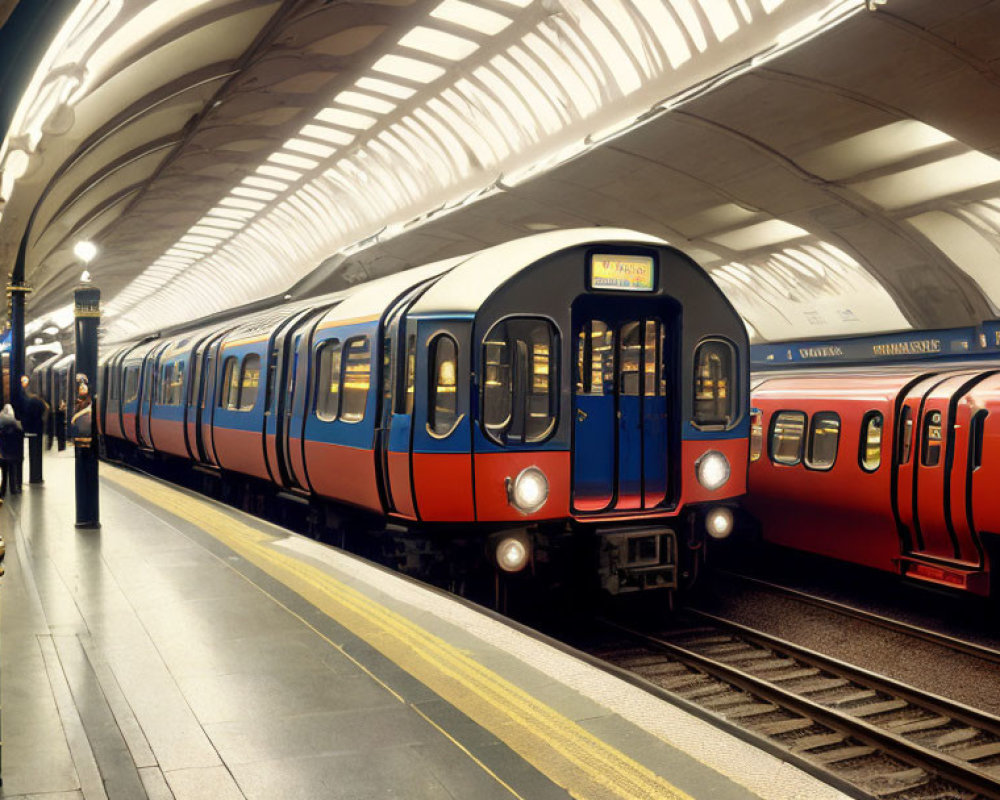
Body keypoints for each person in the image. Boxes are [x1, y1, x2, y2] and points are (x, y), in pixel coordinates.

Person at [21, 376, 49, 484]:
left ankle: (33, 477)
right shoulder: (39, 402)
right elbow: (46, 411)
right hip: (38, 430)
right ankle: (36, 477)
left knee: (32, 454)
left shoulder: (27, 401)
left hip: (29, 428)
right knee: (37, 455)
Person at [0, 404, 24, 497]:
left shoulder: (1, 429)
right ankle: (13, 489)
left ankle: (3, 491)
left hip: (3, 454)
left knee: (4, 474)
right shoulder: (16, 427)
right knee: (12, 471)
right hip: (12, 454)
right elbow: (21, 435)